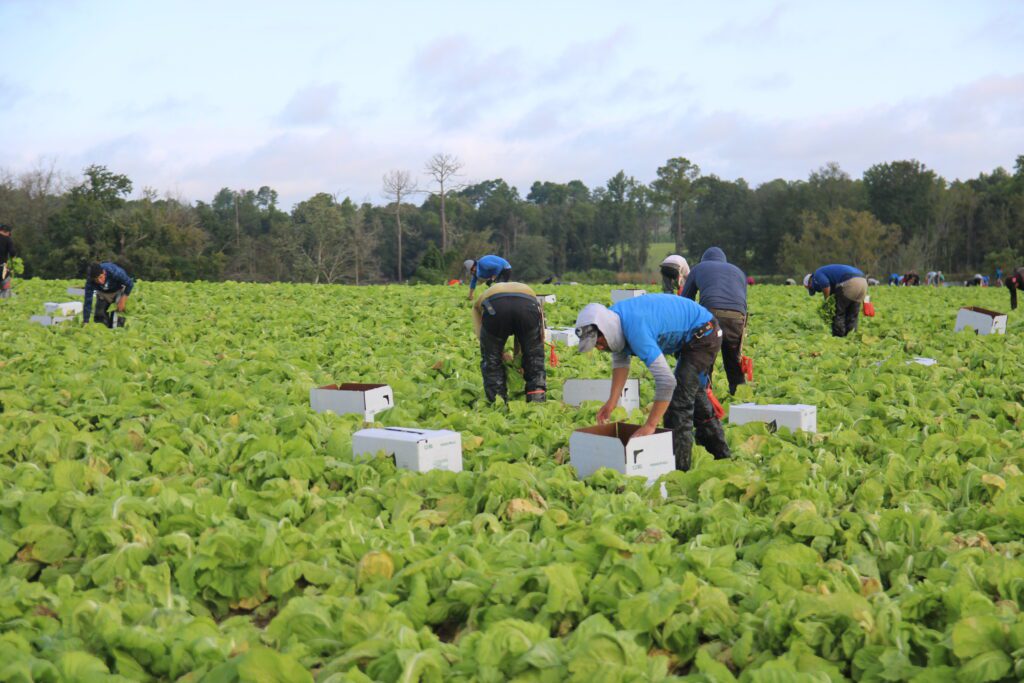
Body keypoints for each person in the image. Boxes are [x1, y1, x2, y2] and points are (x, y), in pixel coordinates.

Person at [574, 294, 731, 471]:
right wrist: (612, 402)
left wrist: (650, 425)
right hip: (692, 337)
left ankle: (679, 471)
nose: (599, 347)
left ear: (605, 330)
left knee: (678, 402)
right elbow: (620, 362)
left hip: (704, 333)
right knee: (691, 392)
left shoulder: (635, 329)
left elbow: (666, 381)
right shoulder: (612, 321)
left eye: (598, 341)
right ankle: (722, 456)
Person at [681, 247, 748, 394]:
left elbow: (685, 301)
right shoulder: (738, 271)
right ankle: (740, 400)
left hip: (711, 315)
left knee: (705, 358)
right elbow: (742, 300)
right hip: (737, 317)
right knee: (734, 362)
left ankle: (705, 400)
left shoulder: (699, 268)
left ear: (704, 260)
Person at [472, 282, 546, 403]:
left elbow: (487, 340)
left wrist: (497, 351)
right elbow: (524, 336)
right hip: (527, 305)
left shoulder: (480, 302)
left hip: (495, 306)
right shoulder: (528, 291)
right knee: (534, 357)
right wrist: (520, 359)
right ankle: (537, 398)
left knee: (491, 360)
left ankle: (497, 401)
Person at [804, 264, 868, 337]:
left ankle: (839, 338)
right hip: (864, 283)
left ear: (810, 281)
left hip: (849, 281)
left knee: (839, 313)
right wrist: (866, 302)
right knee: (852, 316)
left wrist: (827, 303)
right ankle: (851, 337)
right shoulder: (830, 274)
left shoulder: (817, 274)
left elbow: (825, 285)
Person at [83, 261, 134, 327]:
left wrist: (123, 299)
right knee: (99, 315)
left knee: (119, 315)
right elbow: (88, 301)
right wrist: (85, 321)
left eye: (101, 277)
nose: (100, 281)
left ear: (104, 273)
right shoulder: (90, 282)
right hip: (103, 293)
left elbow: (130, 283)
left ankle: (118, 330)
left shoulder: (113, 271)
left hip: (118, 290)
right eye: (96, 280)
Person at [0, 223, 15, 300]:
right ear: (7, 232)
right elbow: (12, 253)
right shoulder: (7, 240)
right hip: (2, 267)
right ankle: (4, 302)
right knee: (5, 286)